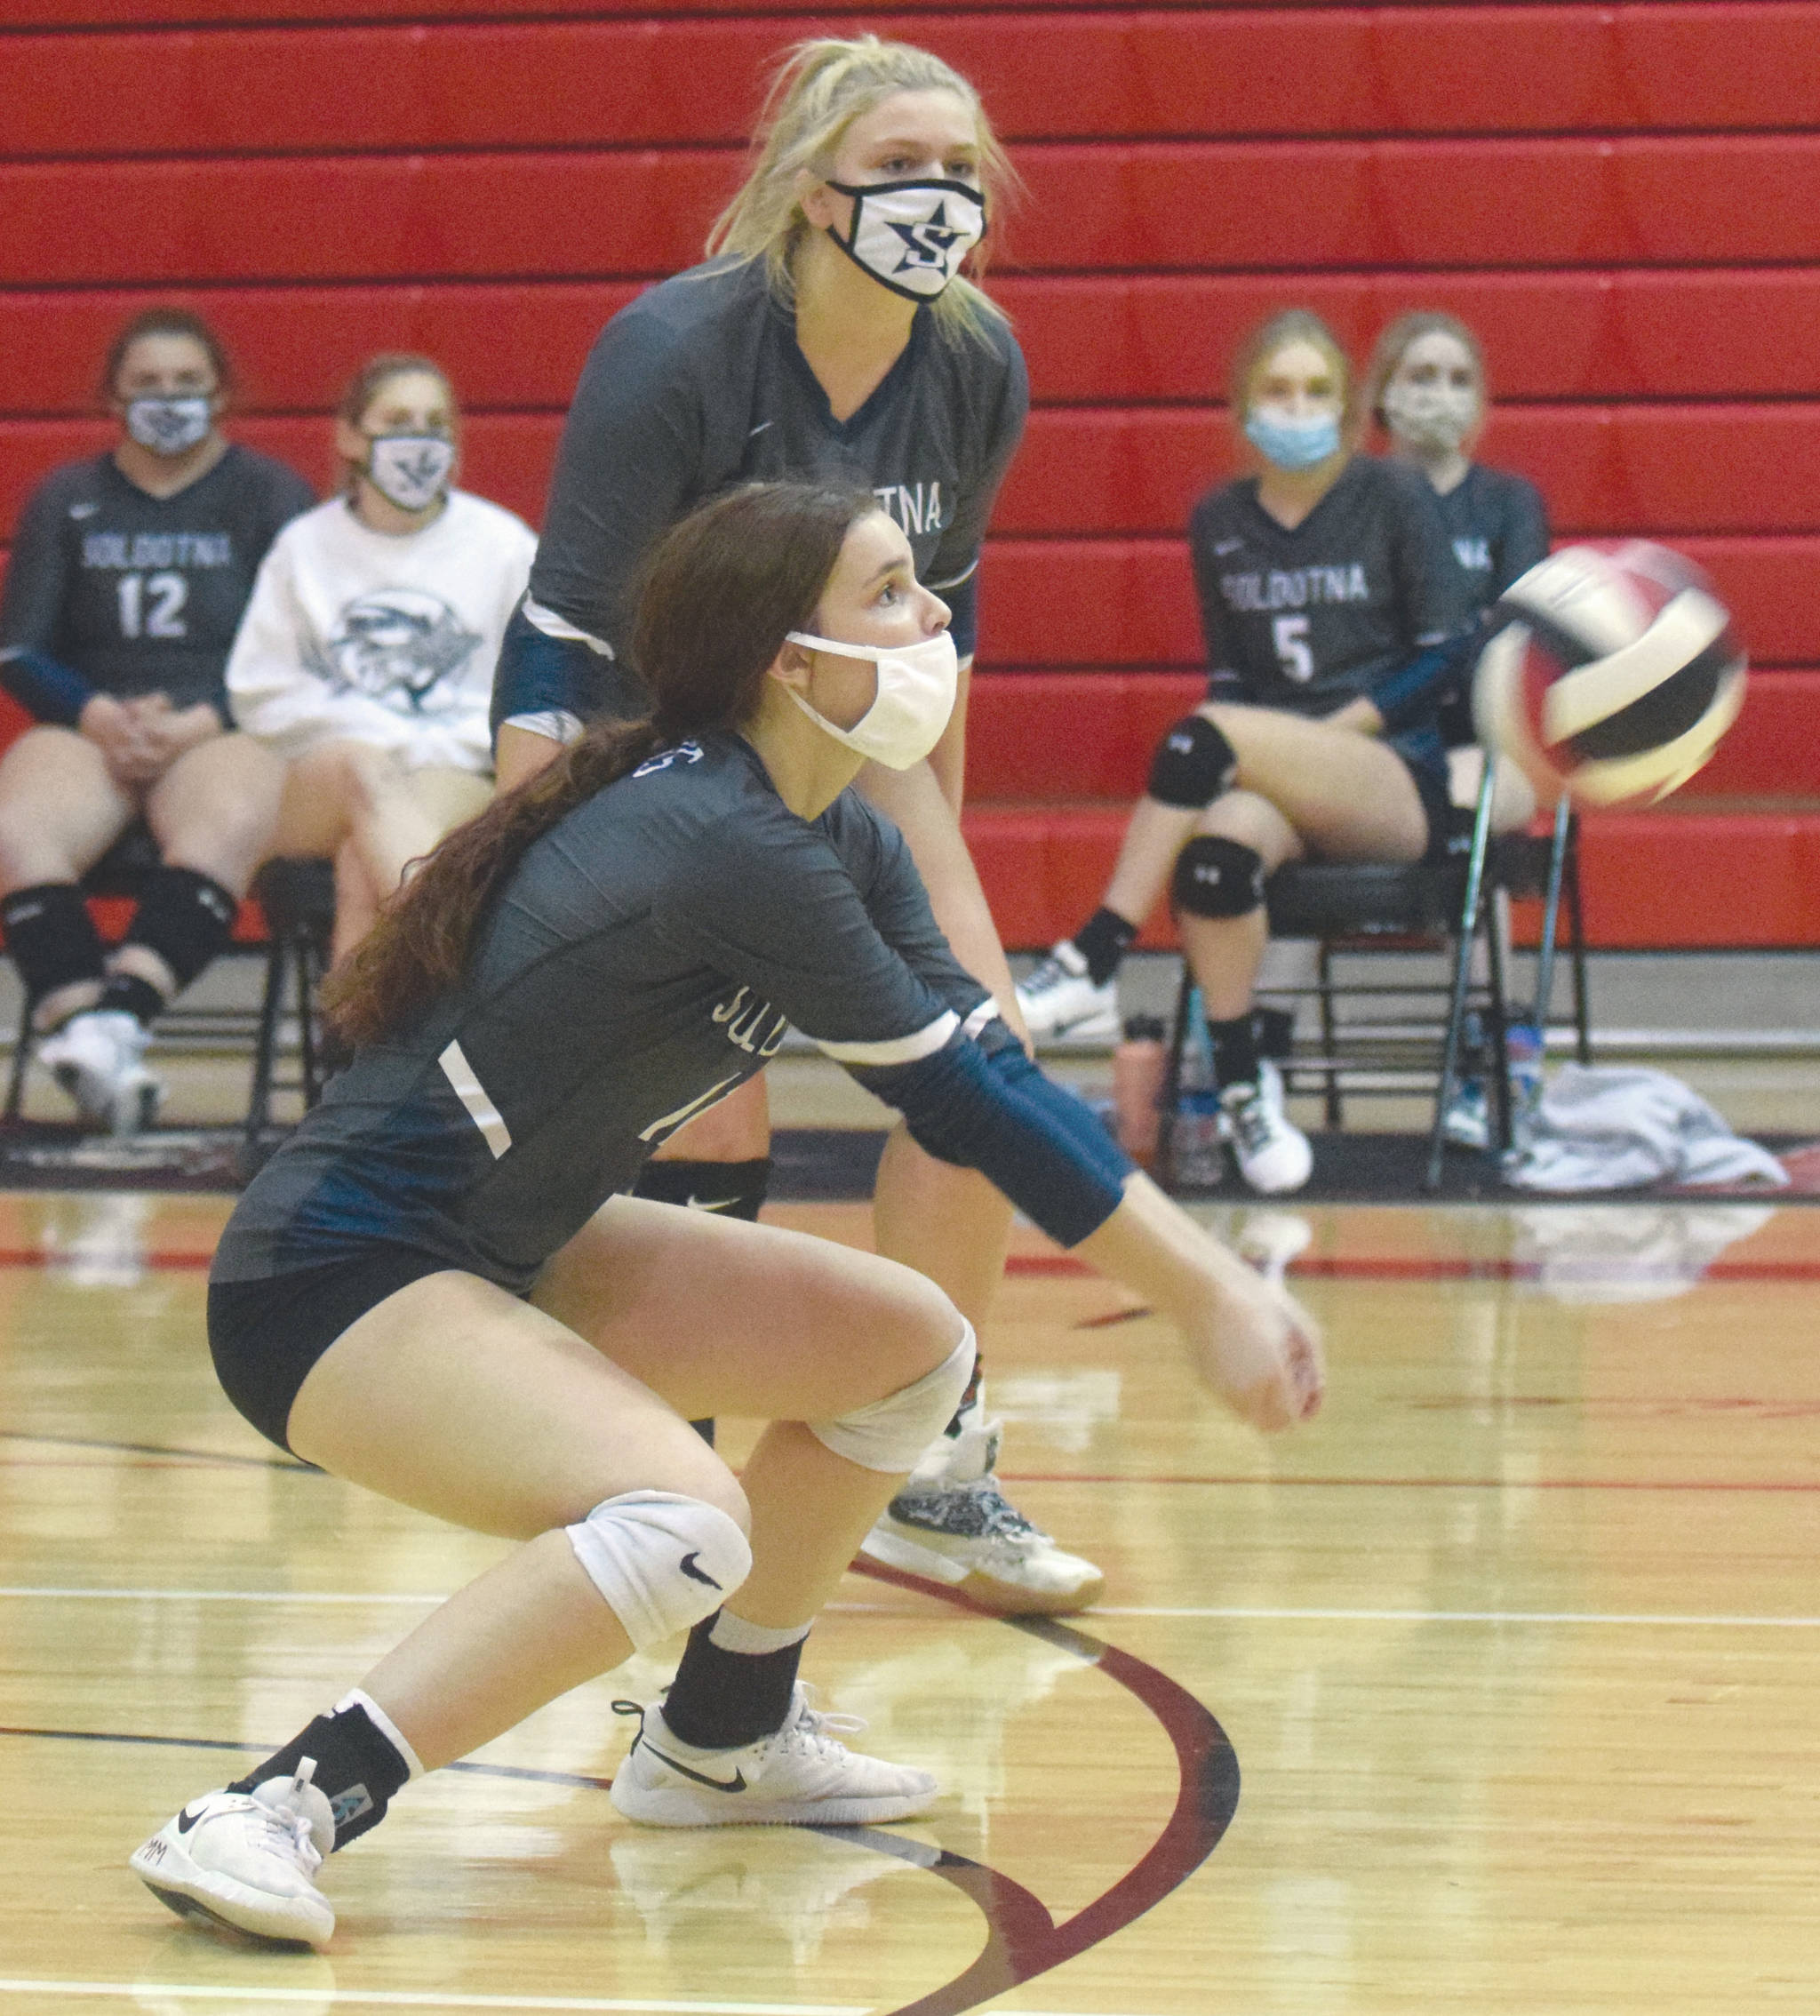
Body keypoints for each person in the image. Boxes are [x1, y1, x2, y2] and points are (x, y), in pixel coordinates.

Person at [130, 482, 1323, 1952]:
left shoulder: (834, 835)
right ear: (786, 656)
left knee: (908, 1351)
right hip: (329, 1272)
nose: (934, 614)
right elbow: (967, 1105)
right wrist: (1209, 1291)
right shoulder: (722, 837)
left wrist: (1203, 1278)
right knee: (680, 1517)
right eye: (888, 591)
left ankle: (722, 1733)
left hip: (505, 1240)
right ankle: (276, 1804)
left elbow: (992, 1072)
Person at [487, 35, 1092, 1614]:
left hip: (856, 720)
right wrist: (521, 879)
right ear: (811, 192)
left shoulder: (974, 363)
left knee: (984, 1057)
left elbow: (935, 638)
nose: (936, 197)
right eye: (899, 167)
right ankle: (651, 1451)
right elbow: (562, 641)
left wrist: (935, 885)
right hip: (653, 715)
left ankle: (924, 1462)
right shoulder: (675, 350)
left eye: (961, 168)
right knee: (701, 1096)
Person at [1016, 310, 1475, 1194]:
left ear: (1345, 409)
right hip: (1265, 772)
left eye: (1315, 391)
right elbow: (1230, 678)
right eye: (1276, 389)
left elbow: (1442, 658)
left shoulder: (1391, 497)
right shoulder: (1219, 519)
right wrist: (1249, 755)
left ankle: (1093, 956)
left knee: (1206, 737)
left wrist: (1322, 735)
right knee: (1215, 861)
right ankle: (1242, 1090)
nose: (1295, 407)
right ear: (1240, 408)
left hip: (1385, 776)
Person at [0, 308, 313, 1131]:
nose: (167, 399)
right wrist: (94, 712)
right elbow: (17, 651)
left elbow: (302, 644)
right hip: (95, 725)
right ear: (112, 396)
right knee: (15, 823)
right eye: (146, 384)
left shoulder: (271, 494)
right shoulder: (69, 497)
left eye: (186, 384)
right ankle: (98, 1032)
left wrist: (206, 718)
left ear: (221, 394)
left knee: (233, 817)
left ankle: (106, 1027)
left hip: (218, 722)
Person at [228, 356, 535, 964]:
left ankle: (353, 1051)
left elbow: (537, 689)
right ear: (350, 436)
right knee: (362, 772)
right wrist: (382, 740)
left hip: (457, 769)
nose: (418, 440)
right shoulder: (304, 546)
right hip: (323, 780)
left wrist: (424, 747)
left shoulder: (504, 546)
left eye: (435, 424)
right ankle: (455, 972)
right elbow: (260, 694)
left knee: (360, 865)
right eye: (397, 420)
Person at [1366, 308, 1552, 1148]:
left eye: (1457, 379)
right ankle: (1248, 1061)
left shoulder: (1511, 504)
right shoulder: (1353, 501)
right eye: (1419, 377)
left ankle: (1489, 1061)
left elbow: (1515, 642)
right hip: (1379, 739)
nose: (1439, 395)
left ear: (1481, 402)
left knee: (1475, 813)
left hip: (1484, 739)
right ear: (1382, 396)